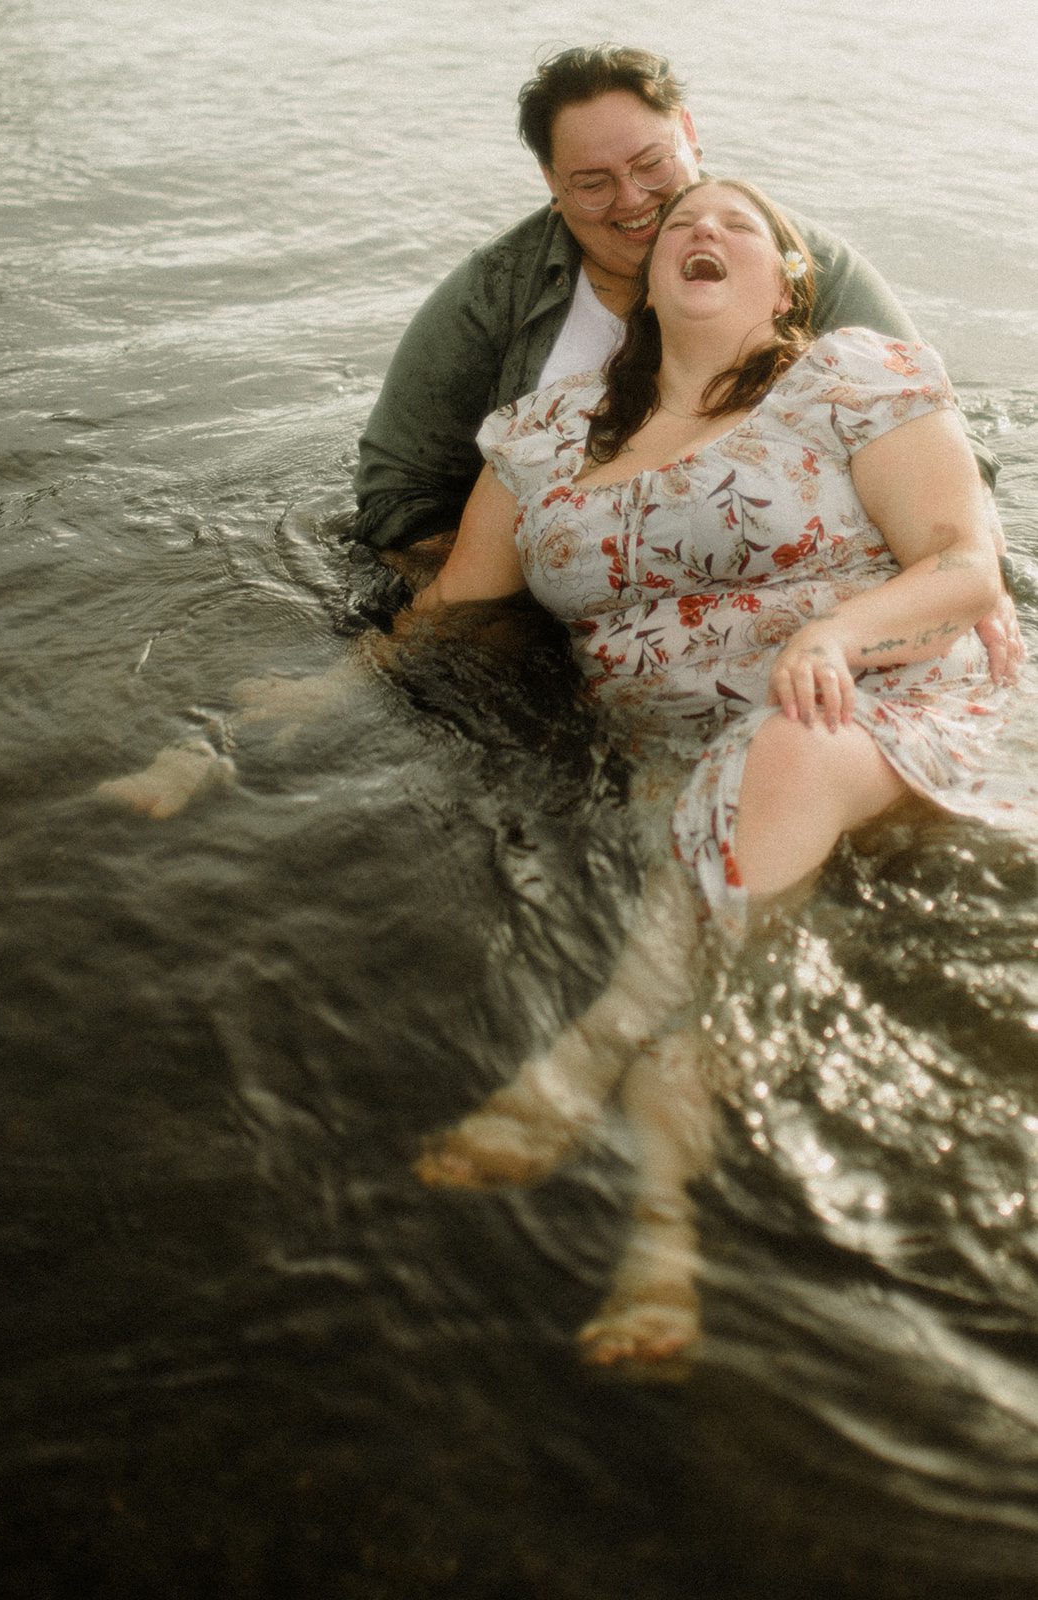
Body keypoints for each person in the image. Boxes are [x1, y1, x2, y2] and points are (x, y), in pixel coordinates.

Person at [408, 177, 1034, 1370]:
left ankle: (585, 1050)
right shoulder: (542, 434)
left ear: (786, 279)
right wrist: (255, 717)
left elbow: (963, 565)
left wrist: (829, 636)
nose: (701, 229)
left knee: (781, 748)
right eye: (682, 223)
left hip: (874, 693)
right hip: (678, 747)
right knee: (711, 940)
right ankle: (662, 1235)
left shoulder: (849, 376)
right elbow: (449, 610)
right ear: (643, 280)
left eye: (738, 224)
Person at [350, 45, 1020, 686]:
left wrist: (965, 582)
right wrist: (523, 598)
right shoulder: (493, 294)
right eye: (592, 183)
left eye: (651, 164)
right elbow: (396, 493)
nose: (633, 198)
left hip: (802, 600)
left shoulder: (798, 264)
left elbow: (936, 436)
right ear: (552, 184)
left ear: (689, 137)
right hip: (565, 599)